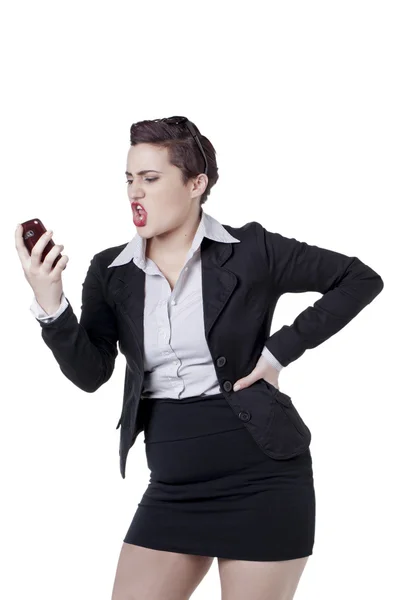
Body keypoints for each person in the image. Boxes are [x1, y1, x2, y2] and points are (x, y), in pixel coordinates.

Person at [15, 116, 384, 600]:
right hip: (172, 488)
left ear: (196, 183)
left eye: (150, 179)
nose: (135, 194)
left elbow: (360, 279)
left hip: (263, 478)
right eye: (129, 179)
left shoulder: (252, 250)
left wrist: (279, 352)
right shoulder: (112, 270)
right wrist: (50, 303)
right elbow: (91, 374)